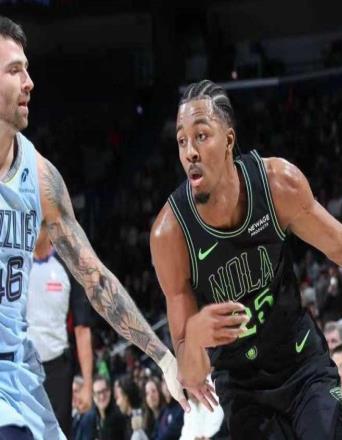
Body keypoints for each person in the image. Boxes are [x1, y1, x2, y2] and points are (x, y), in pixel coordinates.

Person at [150, 79, 342, 438]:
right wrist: (194, 336)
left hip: (302, 364)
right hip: (243, 390)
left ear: (229, 140)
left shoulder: (276, 184)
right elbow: (192, 374)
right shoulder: (170, 234)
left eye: (201, 136)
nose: (190, 152)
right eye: (182, 141)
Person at [0, 16, 211, 440]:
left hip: (20, 379)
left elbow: (95, 279)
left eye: (27, 69)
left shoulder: (39, 177)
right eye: (14, 70)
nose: (29, 82)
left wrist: (164, 359)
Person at [26, 224, 94, 438]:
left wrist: (87, 385)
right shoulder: (14, 263)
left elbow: (82, 329)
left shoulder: (68, 265)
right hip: (22, 367)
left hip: (58, 370)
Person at [77, 375, 128, 440]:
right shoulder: (90, 418)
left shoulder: (119, 416)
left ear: (109, 391)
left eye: (104, 391)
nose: (102, 396)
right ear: (93, 396)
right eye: (98, 393)